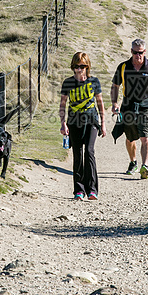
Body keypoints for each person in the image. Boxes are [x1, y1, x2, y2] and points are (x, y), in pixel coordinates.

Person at [111, 38, 148, 178]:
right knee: (130, 138)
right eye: (135, 52)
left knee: (145, 137)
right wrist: (114, 103)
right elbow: (115, 86)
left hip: (145, 106)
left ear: (145, 51)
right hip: (128, 106)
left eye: (140, 52)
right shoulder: (123, 67)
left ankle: (144, 166)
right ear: (131, 51)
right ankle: (133, 161)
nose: (138, 55)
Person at [60, 52, 106, 200]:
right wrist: (63, 123)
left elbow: (100, 103)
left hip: (92, 120)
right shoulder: (68, 83)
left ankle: (92, 190)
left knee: (90, 152)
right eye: (76, 66)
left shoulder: (94, 82)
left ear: (87, 66)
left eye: (82, 66)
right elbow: (62, 104)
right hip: (74, 122)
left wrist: (103, 124)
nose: (79, 69)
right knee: (78, 154)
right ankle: (79, 190)